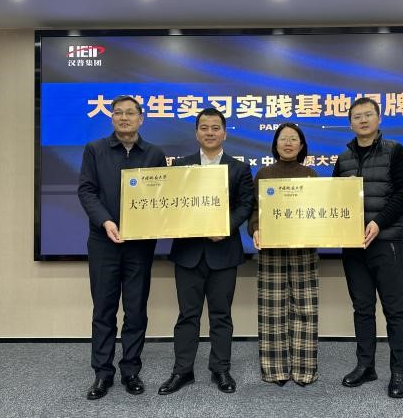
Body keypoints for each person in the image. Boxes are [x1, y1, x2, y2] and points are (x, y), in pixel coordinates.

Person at [158, 107, 254, 395]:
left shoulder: (238, 168)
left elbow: (246, 205)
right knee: (187, 315)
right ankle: (182, 371)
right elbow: (170, 203)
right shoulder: (181, 167)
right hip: (188, 253)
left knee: (221, 315)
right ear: (196, 133)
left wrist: (225, 226)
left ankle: (220, 369)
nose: (209, 132)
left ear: (224, 133)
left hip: (223, 252)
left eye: (215, 128)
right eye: (204, 127)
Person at [78, 95, 167, 400]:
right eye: (118, 113)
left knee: (136, 309)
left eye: (130, 113)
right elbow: (87, 190)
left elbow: (163, 197)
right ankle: (102, 373)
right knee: (103, 309)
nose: (124, 117)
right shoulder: (95, 149)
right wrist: (105, 221)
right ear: (111, 117)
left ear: (141, 118)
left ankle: (130, 370)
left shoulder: (154, 154)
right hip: (103, 241)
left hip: (140, 245)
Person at [332, 97, 403, 398]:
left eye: (368, 115)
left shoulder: (395, 151)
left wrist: (379, 222)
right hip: (354, 246)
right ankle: (365, 365)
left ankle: (399, 373)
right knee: (362, 308)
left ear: (379, 118)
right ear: (350, 123)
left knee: (395, 310)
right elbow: (334, 200)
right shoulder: (343, 159)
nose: (363, 120)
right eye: (357, 116)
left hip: (386, 242)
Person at [247, 123, 319, 387]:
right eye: (283, 139)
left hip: (304, 249)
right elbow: (254, 210)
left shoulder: (311, 175)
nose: (288, 143)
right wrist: (256, 228)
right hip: (272, 249)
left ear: (301, 146)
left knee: (305, 309)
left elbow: (319, 211)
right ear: (275, 145)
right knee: (272, 311)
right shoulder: (264, 174)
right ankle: (275, 369)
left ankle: (304, 370)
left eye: (293, 139)